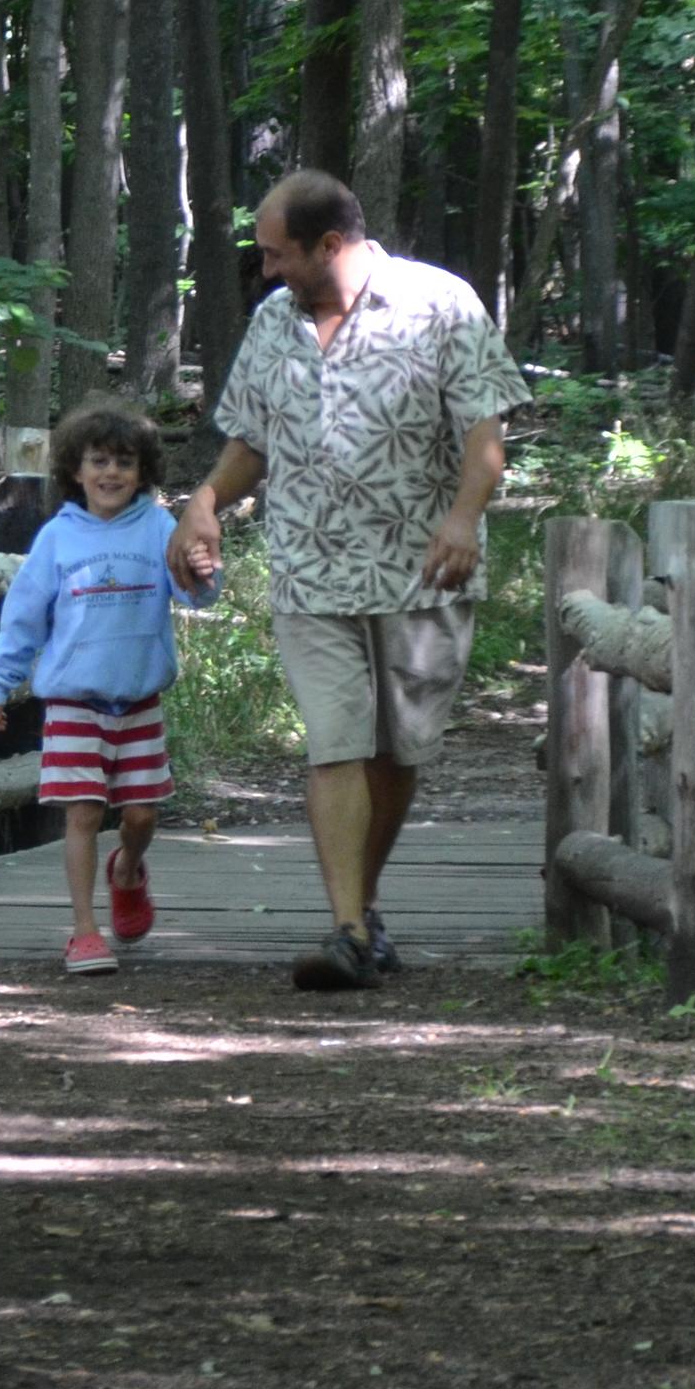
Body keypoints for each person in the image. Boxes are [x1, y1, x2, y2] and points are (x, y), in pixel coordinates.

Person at [173, 169, 527, 993]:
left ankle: (363, 913)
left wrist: (465, 518)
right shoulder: (273, 322)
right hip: (308, 568)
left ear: (330, 244)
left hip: (421, 570)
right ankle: (346, 927)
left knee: (398, 751)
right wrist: (204, 501)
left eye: (276, 253)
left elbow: (484, 433)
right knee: (336, 740)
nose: (266, 271)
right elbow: (250, 441)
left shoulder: (442, 304)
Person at [0, 398, 212, 976]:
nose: (111, 474)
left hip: (139, 701)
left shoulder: (160, 526)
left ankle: (128, 869)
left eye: (124, 463)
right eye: (99, 461)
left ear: (143, 472)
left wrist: (204, 573)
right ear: (75, 471)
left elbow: (193, 593)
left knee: (141, 815)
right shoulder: (57, 538)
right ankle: (84, 931)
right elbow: (24, 615)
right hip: (73, 701)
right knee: (82, 815)